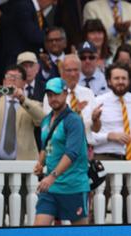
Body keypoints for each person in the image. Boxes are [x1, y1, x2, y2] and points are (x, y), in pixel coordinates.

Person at [33, 77, 90, 226]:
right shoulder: (46, 120)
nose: (53, 99)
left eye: (57, 94)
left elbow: (72, 153)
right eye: (49, 95)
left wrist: (52, 176)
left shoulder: (74, 120)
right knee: (37, 231)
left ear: (66, 94)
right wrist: (40, 163)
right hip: (51, 187)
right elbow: (45, 147)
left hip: (73, 185)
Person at [90, 62, 131, 161]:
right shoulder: (98, 102)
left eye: (124, 78)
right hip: (105, 157)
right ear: (109, 81)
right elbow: (89, 135)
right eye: (116, 78)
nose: (120, 81)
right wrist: (109, 136)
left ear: (129, 81)